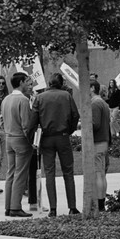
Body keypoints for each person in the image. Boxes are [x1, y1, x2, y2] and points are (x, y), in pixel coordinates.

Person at [29, 73, 80, 217]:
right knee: (68, 172)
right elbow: (75, 115)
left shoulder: (40, 97)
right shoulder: (66, 96)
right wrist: (70, 129)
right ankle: (72, 206)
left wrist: (33, 136)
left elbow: (33, 119)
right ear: (61, 83)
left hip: (47, 137)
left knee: (50, 173)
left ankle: (53, 208)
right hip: (63, 136)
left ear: (49, 83)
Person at [1, 72, 33, 217]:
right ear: (21, 82)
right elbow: (26, 124)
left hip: (8, 138)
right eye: (27, 81)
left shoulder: (6, 99)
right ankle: (15, 207)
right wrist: (32, 141)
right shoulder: (23, 100)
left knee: (11, 172)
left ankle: (8, 206)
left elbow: (1, 120)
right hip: (20, 139)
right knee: (20, 174)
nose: (28, 84)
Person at [91, 79, 111, 211]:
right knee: (102, 174)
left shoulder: (95, 104)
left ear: (92, 88)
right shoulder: (103, 103)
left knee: (98, 174)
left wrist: (83, 124)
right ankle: (101, 201)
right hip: (104, 141)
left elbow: (95, 124)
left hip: (97, 142)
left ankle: (99, 204)